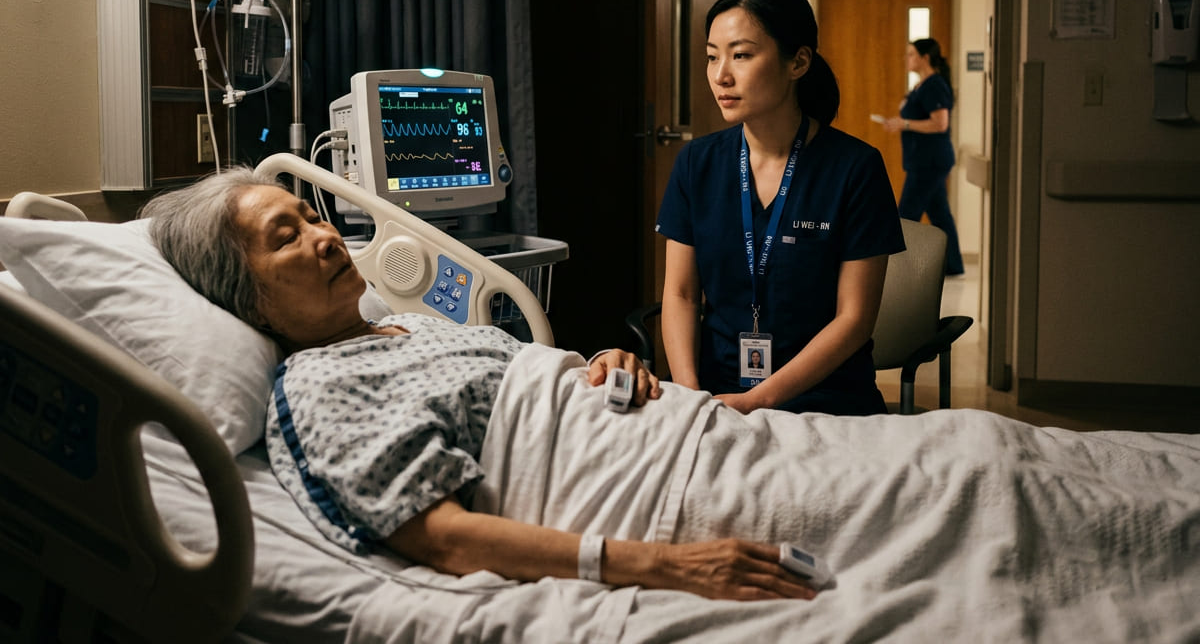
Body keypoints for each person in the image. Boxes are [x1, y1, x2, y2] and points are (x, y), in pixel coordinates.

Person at [140, 168, 818, 603]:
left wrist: (611, 361)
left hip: (693, 433)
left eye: (313, 218)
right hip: (661, 494)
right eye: (286, 237)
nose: (325, 237)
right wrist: (671, 567)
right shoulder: (319, 391)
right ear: (248, 301)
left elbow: (540, 386)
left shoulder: (405, 325)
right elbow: (445, 538)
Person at [655, 0, 905, 417]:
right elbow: (680, 294)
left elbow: (854, 320)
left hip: (828, 402)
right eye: (712, 56)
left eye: (742, 54)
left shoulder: (855, 167)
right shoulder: (697, 163)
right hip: (717, 396)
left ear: (798, 62)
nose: (721, 75)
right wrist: (691, 397)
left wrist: (759, 400)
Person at [881, 37, 965, 276]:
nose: (906, 59)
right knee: (940, 214)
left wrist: (905, 122)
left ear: (925, 58)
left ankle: (896, 269)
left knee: (906, 215)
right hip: (924, 160)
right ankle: (952, 264)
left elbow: (940, 123)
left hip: (930, 161)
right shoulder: (921, 86)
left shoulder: (934, 85)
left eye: (911, 54)